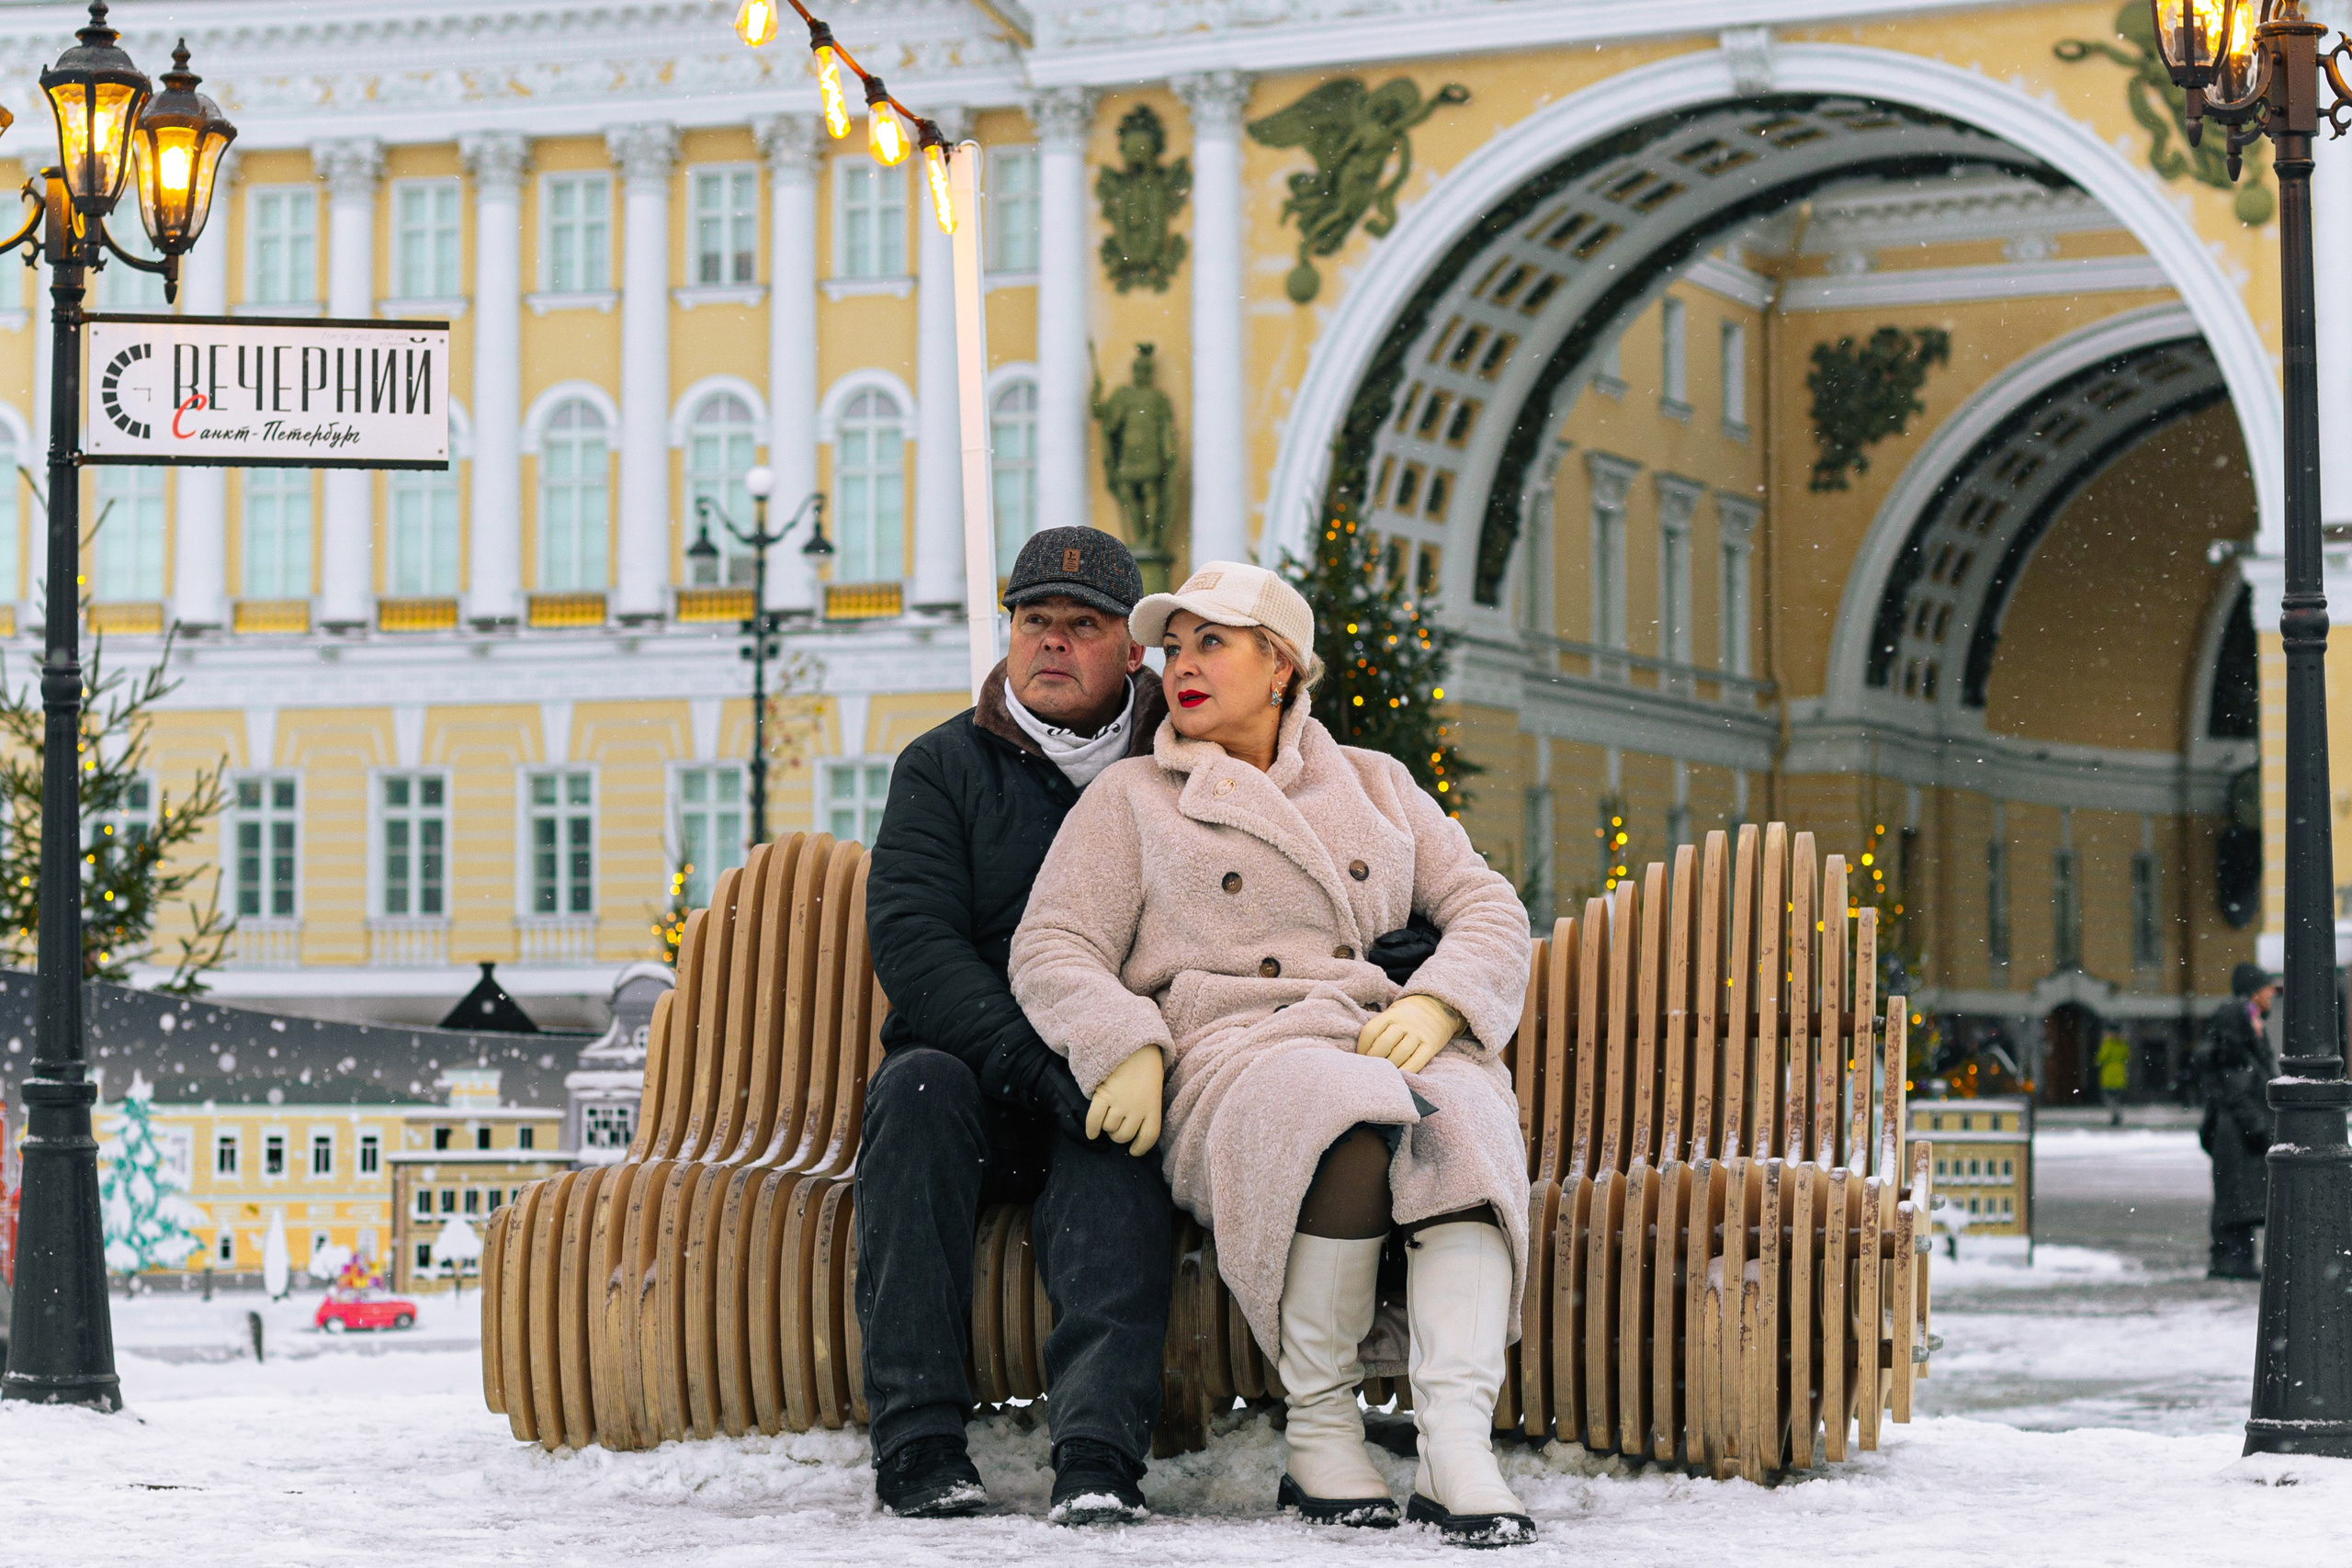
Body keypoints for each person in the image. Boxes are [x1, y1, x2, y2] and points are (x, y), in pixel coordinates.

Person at [1010, 562, 1538, 1548]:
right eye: (1174, 646)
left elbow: (1486, 906)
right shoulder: (1133, 797)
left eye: (1214, 642)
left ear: (1281, 664)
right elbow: (1053, 945)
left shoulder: (1377, 781)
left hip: (1381, 1032)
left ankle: (1459, 1447)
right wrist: (1123, 1044)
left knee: (1465, 1127)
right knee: (1333, 1122)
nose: (1183, 666)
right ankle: (1321, 1430)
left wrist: (1439, 1005)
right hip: (1235, 1051)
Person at [856, 527, 1174, 1525]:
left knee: (1120, 1149)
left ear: (1132, 650)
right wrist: (1037, 1067)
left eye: (1081, 626)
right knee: (914, 1093)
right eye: (1033, 620)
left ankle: (1096, 1456)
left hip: (1129, 1074)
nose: (1050, 643)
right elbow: (913, 942)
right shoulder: (945, 766)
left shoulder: (1188, 762)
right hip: (976, 1082)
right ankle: (918, 1443)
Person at [2192, 963, 2278, 1280]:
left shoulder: (2248, 1021)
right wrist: (2256, 1125)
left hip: (2238, 1126)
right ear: (2254, 991)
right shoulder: (2236, 1020)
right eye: (2268, 987)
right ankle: (2230, 1262)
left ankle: (2235, 1261)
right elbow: (2235, 1083)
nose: (2273, 993)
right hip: (2237, 1128)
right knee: (2237, 1196)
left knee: (2241, 1196)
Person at [2096, 1030, 2131, 1126]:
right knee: (2117, 1098)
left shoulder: (2108, 1044)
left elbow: (2100, 1058)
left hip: (2109, 1075)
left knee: (2107, 1097)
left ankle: (2115, 1115)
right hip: (2120, 1074)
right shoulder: (2123, 1044)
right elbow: (2127, 1057)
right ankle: (2117, 1114)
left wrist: (2105, 1042)